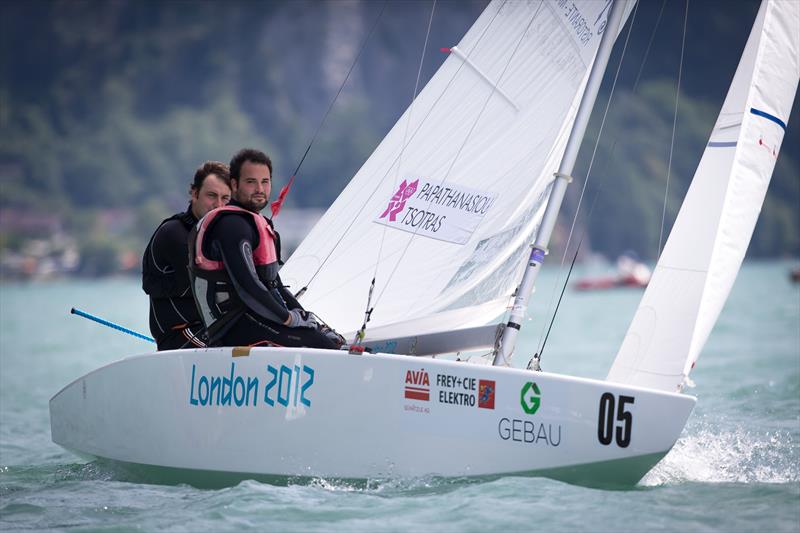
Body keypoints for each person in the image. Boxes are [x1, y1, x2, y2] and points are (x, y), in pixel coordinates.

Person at [189, 148, 343, 349]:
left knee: (330, 340)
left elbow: (274, 284)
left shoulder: (255, 224)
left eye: (265, 181)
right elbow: (248, 287)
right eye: (251, 182)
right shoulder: (231, 226)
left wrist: (307, 319)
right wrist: (289, 319)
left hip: (256, 319)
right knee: (323, 346)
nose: (259, 189)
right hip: (233, 328)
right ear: (234, 185)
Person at [142, 161, 231, 350]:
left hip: (214, 329)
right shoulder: (175, 234)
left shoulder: (221, 235)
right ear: (194, 193)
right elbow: (211, 287)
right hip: (180, 334)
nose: (219, 205)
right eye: (211, 196)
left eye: (226, 198)